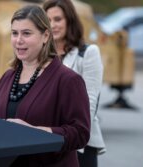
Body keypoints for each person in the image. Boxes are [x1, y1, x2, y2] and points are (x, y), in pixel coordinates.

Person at [0, 5, 90, 167]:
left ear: (45, 36)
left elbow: (80, 134)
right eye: (14, 33)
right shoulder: (7, 77)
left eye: (26, 33)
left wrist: (34, 131)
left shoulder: (68, 80)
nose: (18, 40)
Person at [43, 0, 106, 167]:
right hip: (45, 139)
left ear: (69, 21)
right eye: (48, 20)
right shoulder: (40, 56)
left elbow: (90, 102)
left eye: (58, 19)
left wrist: (73, 135)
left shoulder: (88, 53)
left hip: (80, 141)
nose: (52, 25)